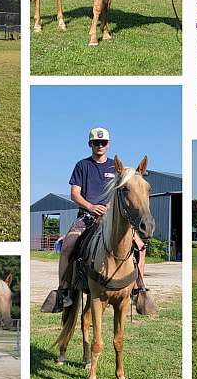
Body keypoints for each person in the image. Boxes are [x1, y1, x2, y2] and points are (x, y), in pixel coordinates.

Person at [47, 127, 155, 314]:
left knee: (141, 248)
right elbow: (74, 194)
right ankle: (63, 291)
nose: (100, 145)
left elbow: (128, 191)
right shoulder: (82, 166)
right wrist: (90, 206)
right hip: (87, 215)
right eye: (96, 143)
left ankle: (139, 290)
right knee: (67, 246)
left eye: (103, 142)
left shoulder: (117, 167)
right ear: (90, 144)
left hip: (112, 217)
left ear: (108, 144)